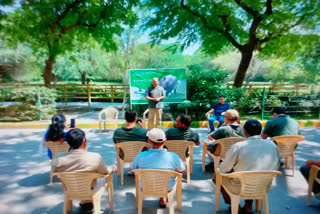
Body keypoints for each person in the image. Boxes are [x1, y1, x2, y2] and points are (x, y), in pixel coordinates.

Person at [214, 119, 280, 214]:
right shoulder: (272, 145)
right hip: (265, 185)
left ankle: (235, 206)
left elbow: (224, 169)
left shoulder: (238, 146)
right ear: (260, 131)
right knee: (251, 171)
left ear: (245, 132)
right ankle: (248, 206)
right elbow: (276, 166)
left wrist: (226, 169)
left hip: (240, 186)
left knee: (216, 176)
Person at [52, 128, 117, 213]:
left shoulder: (58, 157)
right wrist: (112, 167)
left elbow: (56, 172)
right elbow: (105, 171)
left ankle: (86, 202)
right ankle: (89, 202)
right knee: (102, 177)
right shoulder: (95, 157)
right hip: (90, 188)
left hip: (70, 187)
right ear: (84, 140)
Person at [130, 128, 186, 208]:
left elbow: (131, 169)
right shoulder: (173, 156)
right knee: (173, 175)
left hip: (146, 186)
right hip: (167, 186)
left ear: (148, 141)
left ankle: (161, 198)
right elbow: (183, 170)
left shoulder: (141, 156)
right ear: (165, 141)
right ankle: (163, 197)